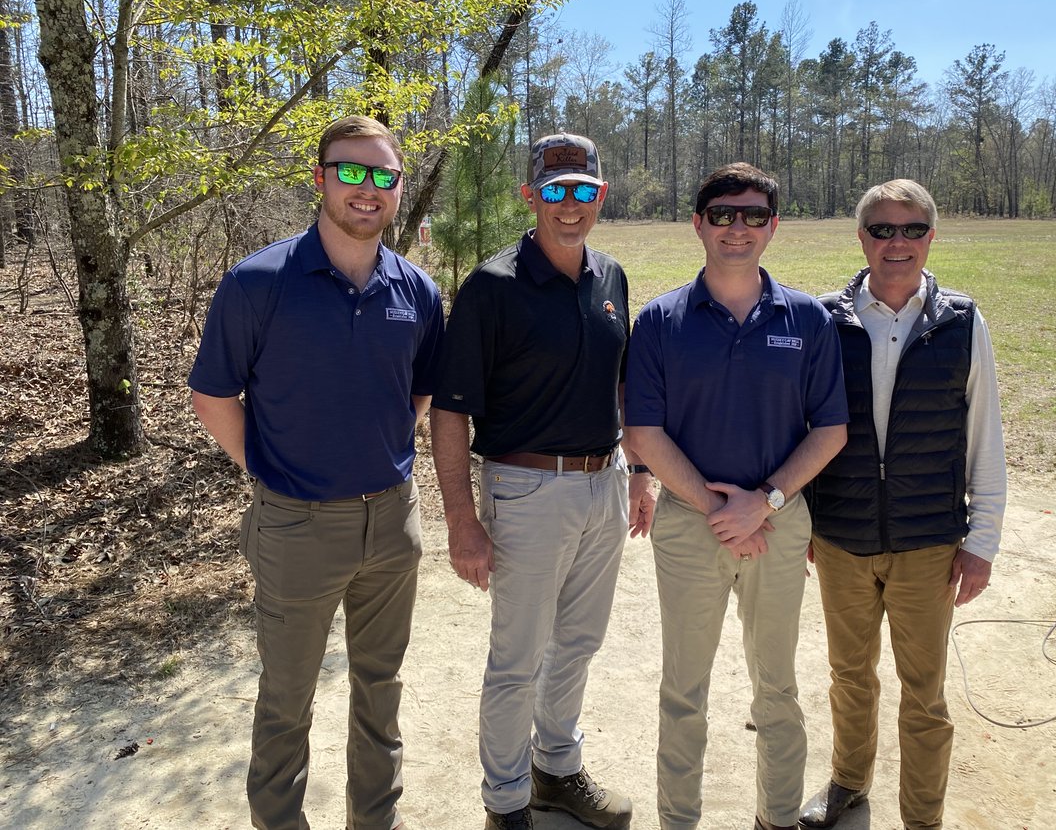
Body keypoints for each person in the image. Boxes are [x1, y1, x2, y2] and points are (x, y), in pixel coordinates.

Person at [188, 115, 444, 830]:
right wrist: (266, 469)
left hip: (393, 524)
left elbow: (422, 388)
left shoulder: (416, 291)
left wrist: (390, 443)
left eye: (382, 176)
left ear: (398, 188)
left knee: (380, 688)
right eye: (350, 171)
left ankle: (376, 819)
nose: (367, 189)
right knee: (286, 697)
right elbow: (213, 393)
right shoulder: (259, 282)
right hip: (295, 526)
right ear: (320, 178)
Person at [429, 132, 656, 830]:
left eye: (582, 190)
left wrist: (640, 473)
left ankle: (556, 771)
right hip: (525, 491)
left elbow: (625, 387)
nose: (568, 204)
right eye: (554, 190)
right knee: (517, 660)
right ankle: (505, 804)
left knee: (578, 645)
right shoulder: (492, 287)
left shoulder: (612, 277)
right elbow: (451, 412)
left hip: (604, 487)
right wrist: (462, 522)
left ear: (600, 197)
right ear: (530, 196)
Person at [624, 163, 849, 830]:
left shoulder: (807, 318)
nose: (737, 228)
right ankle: (678, 821)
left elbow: (830, 430)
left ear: (773, 226)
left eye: (753, 215)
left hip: (779, 526)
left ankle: (776, 819)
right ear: (698, 223)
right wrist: (720, 509)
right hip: (690, 528)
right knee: (683, 693)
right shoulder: (661, 320)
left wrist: (767, 501)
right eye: (722, 214)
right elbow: (644, 431)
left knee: (777, 690)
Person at [798, 179, 1006, 830]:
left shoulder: (963, 323)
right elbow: (803, 430)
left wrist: (982, 543)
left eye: (912, 229)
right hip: (842, 538)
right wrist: (804, 520)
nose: (897, 243)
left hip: (928, 545)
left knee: (925, 696)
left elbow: (986, 440)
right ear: (860, 238)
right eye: (882, 229)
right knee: (849, 678)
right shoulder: (824, 321)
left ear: (931, 237)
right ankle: (847, 786)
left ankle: (923, 818)